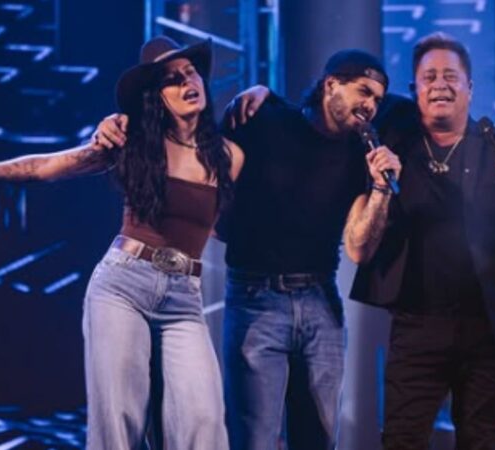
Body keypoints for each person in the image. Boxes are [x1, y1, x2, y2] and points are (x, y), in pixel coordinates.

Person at [0, 36, 244, 450]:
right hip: (124, 285)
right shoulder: (133, 140)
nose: (186, 82)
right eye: (171, 79)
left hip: (185, 296)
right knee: (118, 421)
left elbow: (215, 226)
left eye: (189, 72)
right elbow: (46, 167)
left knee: (204, 418)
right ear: (156, 96)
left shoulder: (229, 155)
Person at [93, 49, 401, 450]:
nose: (371, 106)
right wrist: (120, 125)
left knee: (320, 437)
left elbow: (359, 249)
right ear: (331, 84)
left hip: (321, 301)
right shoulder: (264, 120)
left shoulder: (362, 153)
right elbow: (202, 163)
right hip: (256, 295)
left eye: (377, 99)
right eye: (364, 92)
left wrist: (380, 189)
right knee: (253, 437)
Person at [346, 32, 495, 450]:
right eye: (429, 76)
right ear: (414, 91)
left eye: (451, 76)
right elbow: (339, 106)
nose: (440, 84)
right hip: (417, 325)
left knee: (481, 440)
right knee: (402, 439)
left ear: (470, 88)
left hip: (486, 329)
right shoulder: (393, 148)